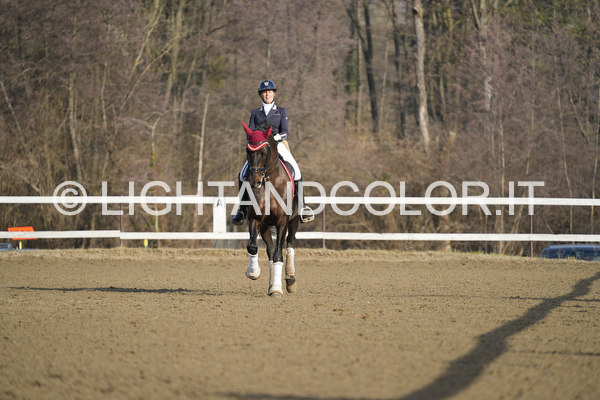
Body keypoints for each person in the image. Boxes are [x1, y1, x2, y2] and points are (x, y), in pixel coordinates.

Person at [232, 79, 314, 225]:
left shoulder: (281, 111)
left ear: (274, 93)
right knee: (243, 174)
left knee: (296, 170)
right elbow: (250, 133)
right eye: (264, 92)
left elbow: (285, 132)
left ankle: (302, 207)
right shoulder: (255, 113)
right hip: (260, 148)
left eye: (269, 92)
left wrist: (275, 138)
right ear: (261, 95)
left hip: (277, 145)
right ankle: (242, 209)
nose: (267, 94)